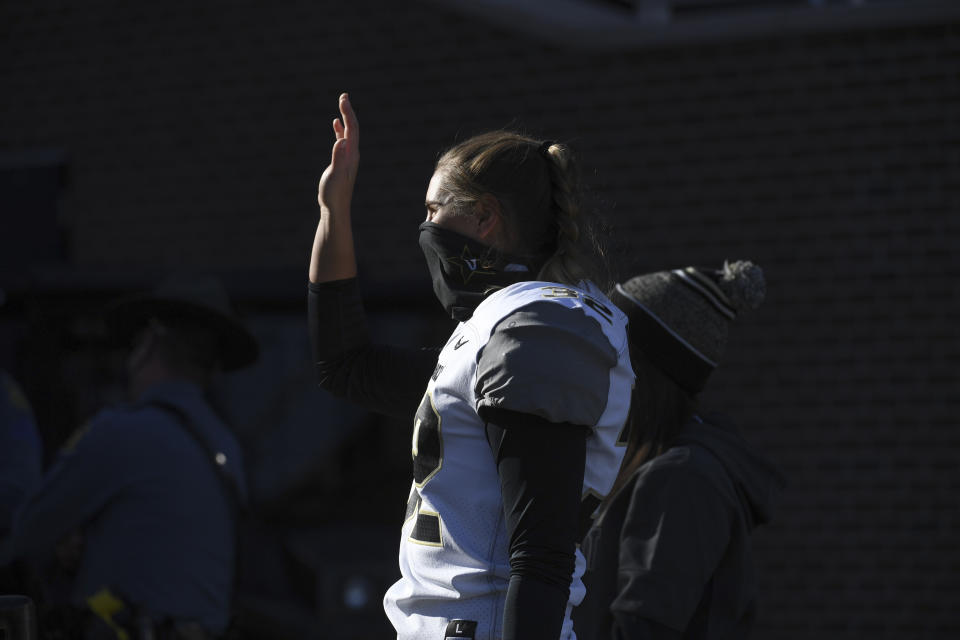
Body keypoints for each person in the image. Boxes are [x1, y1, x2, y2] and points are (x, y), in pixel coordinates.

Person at [308, 93, 634, 640]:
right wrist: (332, 210)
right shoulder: (501, 326)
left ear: (484, 216)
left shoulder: (539, 324)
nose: (426, 226)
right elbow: (345, 366)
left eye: (435, 210)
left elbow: (540, 556)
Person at [0, 275, 257, 638]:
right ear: (212, 366)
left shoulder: (119, 432)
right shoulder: (225, 444)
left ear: (149, 343)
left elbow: (27, 535)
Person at [572, 261, 787, 640]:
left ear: (639, 371)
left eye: (607, 353)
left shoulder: (683, 478)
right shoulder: (645, 463)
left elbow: (643, 627)